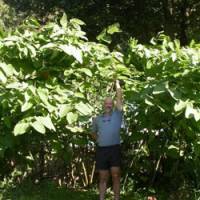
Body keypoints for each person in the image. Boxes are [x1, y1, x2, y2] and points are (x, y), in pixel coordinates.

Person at [91, 80, 123, 200]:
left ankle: (116, 198)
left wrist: (117, 84)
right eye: (106, 103)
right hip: (102, 150)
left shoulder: (117, 115)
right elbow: (93, 132)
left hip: (114, 149)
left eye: (110, 103)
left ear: (113, 105)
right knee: (103, 177)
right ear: (103, 105)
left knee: (115, 175)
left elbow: (119, 98)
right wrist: (99, 140)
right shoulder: (97, 119)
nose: (108, 105)